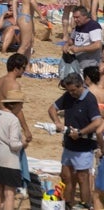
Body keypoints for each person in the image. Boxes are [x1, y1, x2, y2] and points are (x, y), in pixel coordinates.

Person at [50, 72, 103, 208]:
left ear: (81, 86)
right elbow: (52, 109)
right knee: (65, 176)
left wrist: (80, 133)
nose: (71, 93)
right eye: (69, 90)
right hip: (69, 145)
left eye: (73, 90)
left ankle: (85, 204)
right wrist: (57, 122)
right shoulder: (68, 95)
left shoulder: (89, 99)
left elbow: (97, 122)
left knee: (82, 177)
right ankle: (68, 204)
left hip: (84, 147)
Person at [0, 90, 26, 210]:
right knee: (9, 193)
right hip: (9, 161)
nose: (22, 107)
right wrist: (23, 144)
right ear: (15, 104)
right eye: (21, 104)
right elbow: (14, 144)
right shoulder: (13, 119)